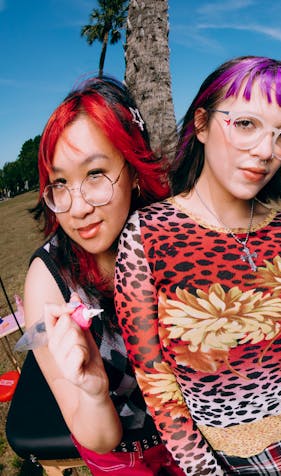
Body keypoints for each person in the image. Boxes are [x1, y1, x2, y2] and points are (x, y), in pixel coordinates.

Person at [113, 56, 281, 475]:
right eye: (247, 124)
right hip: (211, 464)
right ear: (201, 124)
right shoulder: (147, 236)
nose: (267, 151)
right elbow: (155, 379)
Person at [23, 76, 183, 475]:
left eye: (95, 173)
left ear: (132, 170)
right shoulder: (48, 282)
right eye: (60, 183)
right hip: (119, 455)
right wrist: (93, 391)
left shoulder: (175, 239)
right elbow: (94, 433)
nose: (76, 209)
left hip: (194, 438)